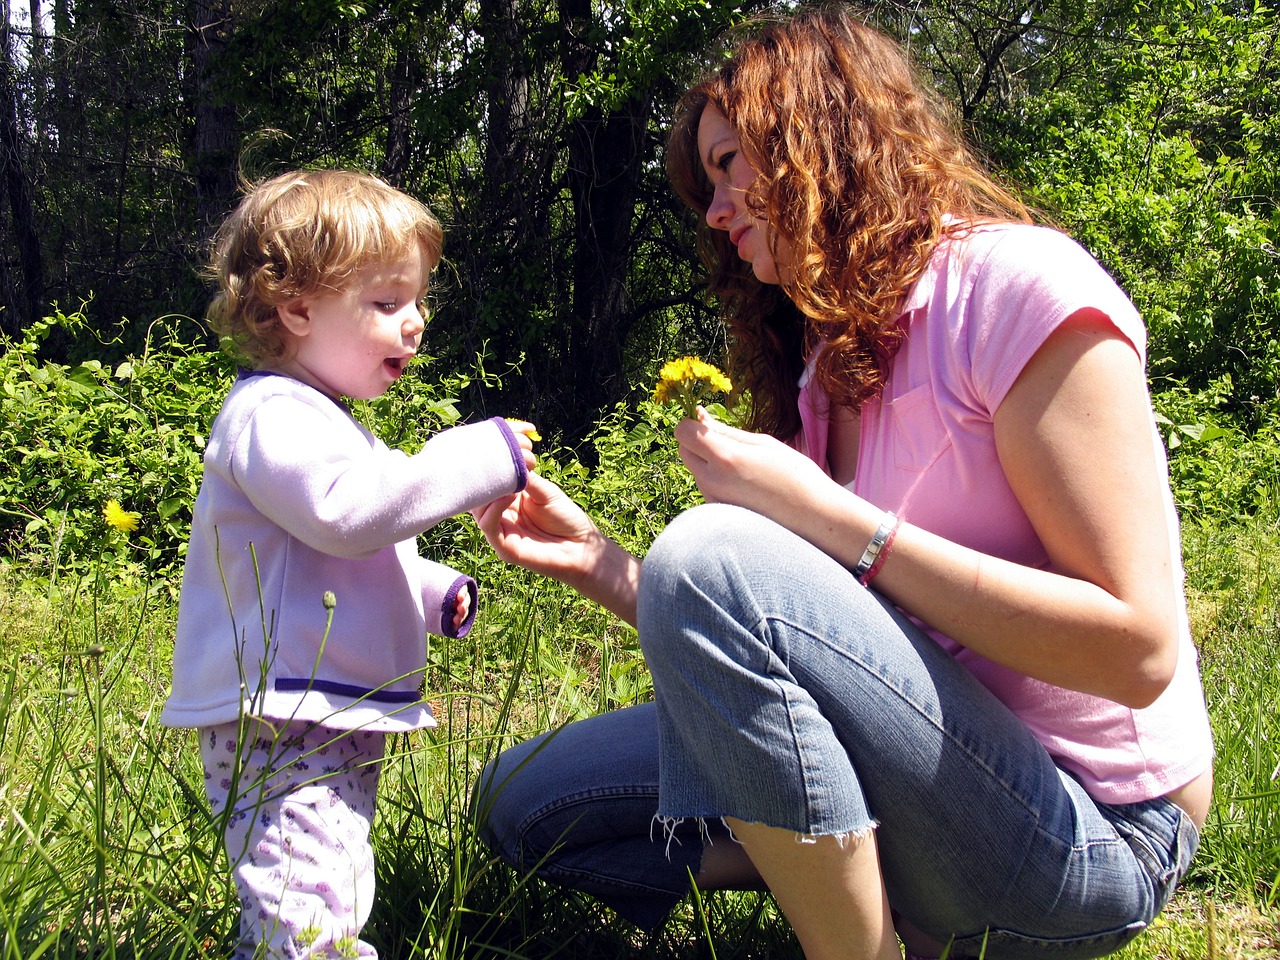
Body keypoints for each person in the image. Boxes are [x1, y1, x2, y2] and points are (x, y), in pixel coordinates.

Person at [470, 7, 1213, 960]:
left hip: (1089, 835)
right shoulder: (827, 365)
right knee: (527, 805)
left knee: (711, 550)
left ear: (824, 137)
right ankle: (862, 896)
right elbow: (805, 646)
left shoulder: (1017, 291)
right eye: (705, 181)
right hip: (920, 788)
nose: (713, 208)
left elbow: (1139, 651)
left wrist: (830, 517)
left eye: (731, 162)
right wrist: (602, 564)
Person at [161, 169, 536, 959]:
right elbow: (348, 515)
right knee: (308, 902)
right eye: (387, 302)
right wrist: (476, 455)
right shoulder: (268, 415)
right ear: (296, 307)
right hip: (278, 716)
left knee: (331, 881)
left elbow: (342, 548)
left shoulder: (324, 423)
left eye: (418, 302)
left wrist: (432, 592)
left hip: (323, 713)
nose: (416, 325)